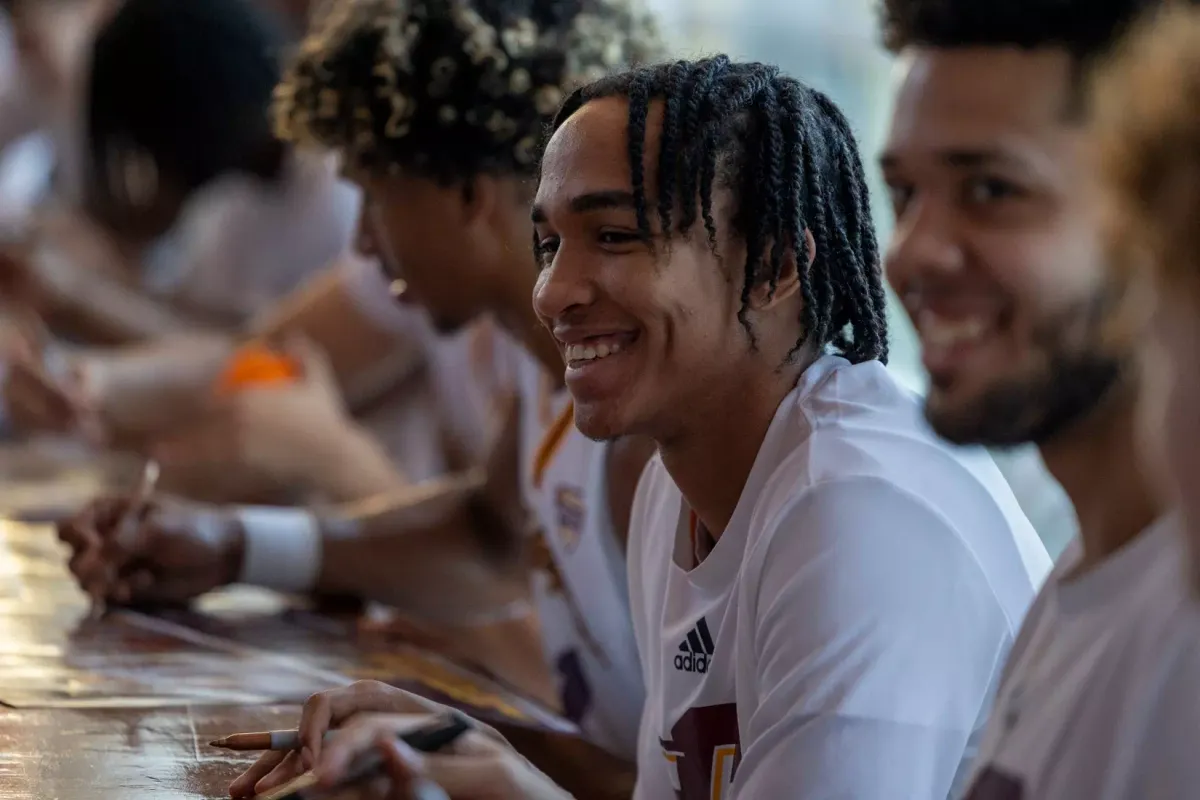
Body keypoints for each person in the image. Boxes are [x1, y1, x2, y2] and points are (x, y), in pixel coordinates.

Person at [257, 55, 1050, 800]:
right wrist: (480, 757)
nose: (552, 292)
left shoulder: (863, 514)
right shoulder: (682, 485)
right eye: (548, 244)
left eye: (614, 236)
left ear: (773, 265)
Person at [58, 0, 664, 792]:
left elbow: (661, 778)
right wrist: (233, 545)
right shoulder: (539, 362)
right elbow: (485, 533)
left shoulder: (649, 414)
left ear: (469, 199)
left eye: (374, 196)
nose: (366, 244)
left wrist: (474, 747)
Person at [878, 0, 1200, 796]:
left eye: (990, 189)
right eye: (904, 194)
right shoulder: (1083, 578)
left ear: (1157, 221)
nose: (911, 252)